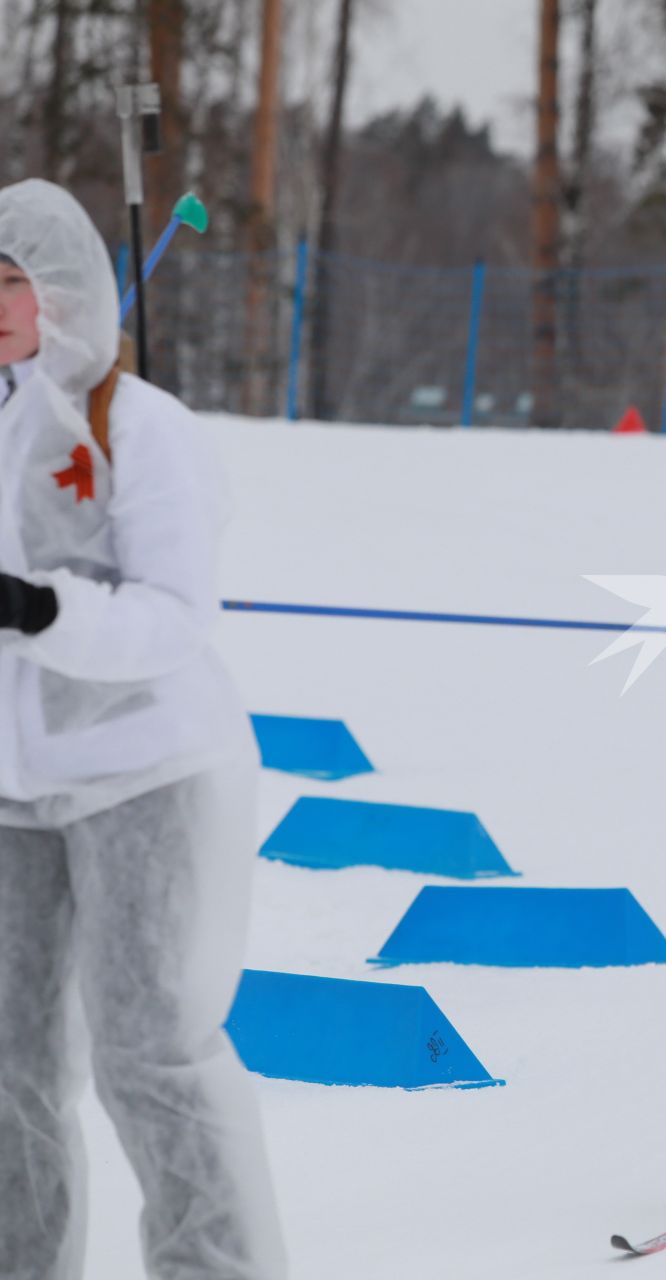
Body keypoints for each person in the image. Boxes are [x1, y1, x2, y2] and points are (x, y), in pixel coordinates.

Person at [0, 179, 286, 1278]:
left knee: (149, 1052)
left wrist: (39, 609)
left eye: (18, 279)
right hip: (14, 790)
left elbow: (173, 618)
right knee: (12, 1064)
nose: (2, 300)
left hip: (143, 771)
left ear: (67, 288)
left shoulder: (141, 424)